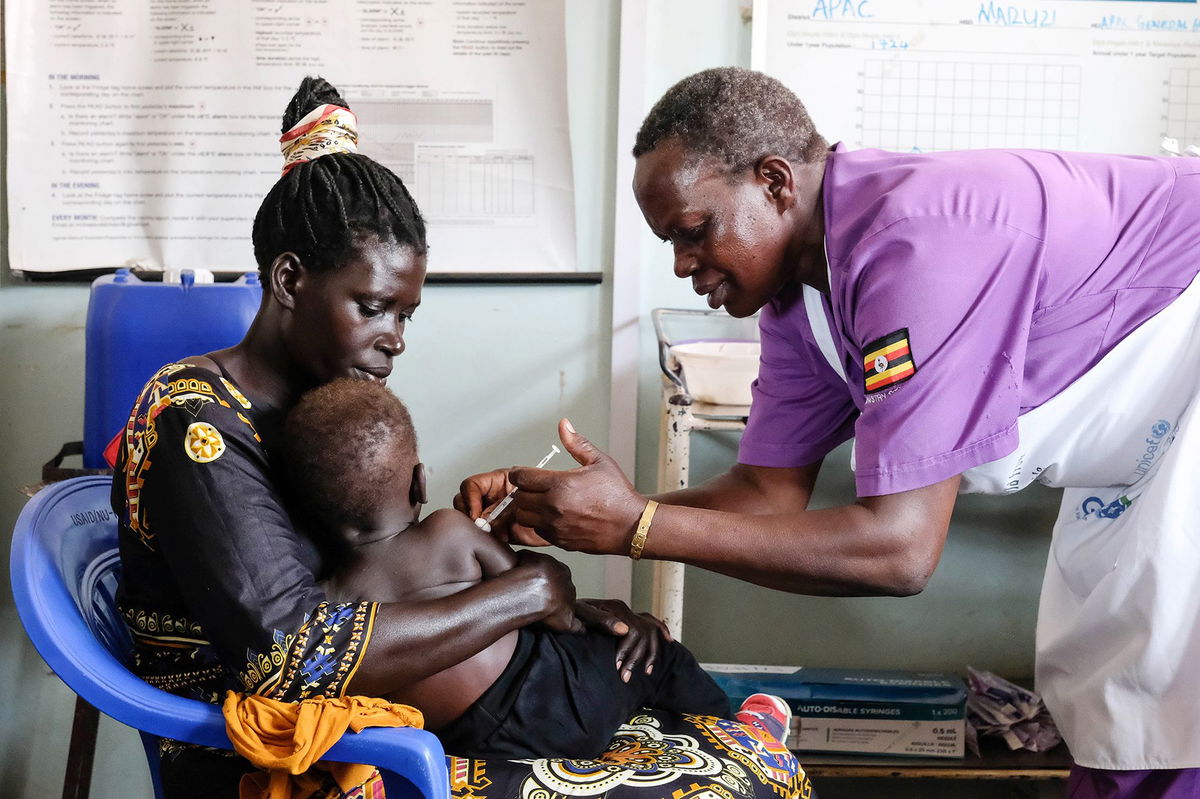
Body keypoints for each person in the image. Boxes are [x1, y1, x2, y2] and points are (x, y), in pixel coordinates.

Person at [457, 67, 1200, 798]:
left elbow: (902, 550)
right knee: (1117, 702)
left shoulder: (914, 246)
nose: (684, 265)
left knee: (1169, 706)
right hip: (1141, 441)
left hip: (1185, 357)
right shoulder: (799, 298)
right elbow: (764, 497)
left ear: (775, 182)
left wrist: (636, 524)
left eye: (692, 231)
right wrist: (581, 513)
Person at [110, 74, 809, 799]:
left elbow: (375, 577)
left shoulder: (318, 405)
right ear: (289, 280)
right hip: (263, 759)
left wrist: (552, 616)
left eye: (405, 315)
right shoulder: (195, 423)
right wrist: (526, 592)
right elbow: (289, 657)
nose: (396, 341)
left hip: (387, 722)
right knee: (728, 787)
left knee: (712, 734)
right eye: (375, 307)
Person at [280, 378, 737, 758]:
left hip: (472, 740)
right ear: (420, 481)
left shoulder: (329, 600)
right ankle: (741, 729)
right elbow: (554, 609)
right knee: (656, 652)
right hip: (560, 699)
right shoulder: (448, 531)